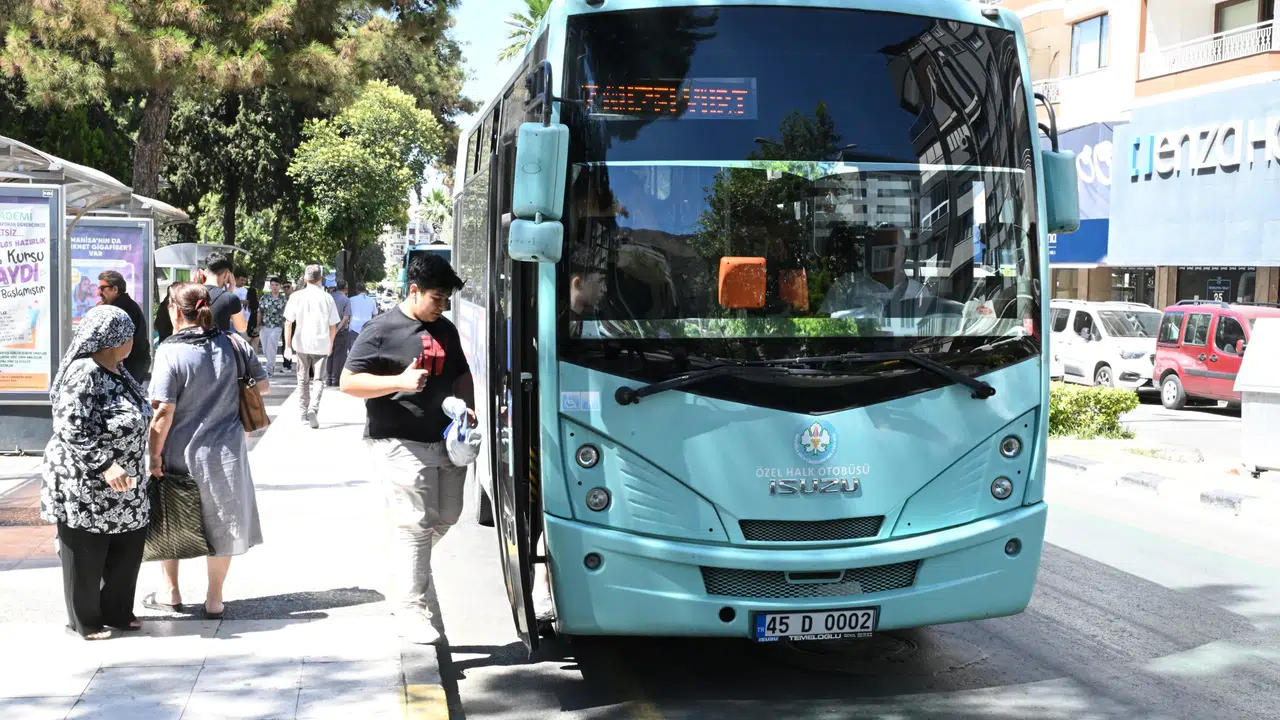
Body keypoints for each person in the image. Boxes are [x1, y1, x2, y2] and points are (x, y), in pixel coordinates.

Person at [340, 253, 473, 645]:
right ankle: (411, 607)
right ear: (413, 290)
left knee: (447, 516)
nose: (442, 305)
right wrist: (398, 380)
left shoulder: (445, 329)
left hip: (447, 440)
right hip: (398, 440)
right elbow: (349, 382)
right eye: (436, 298)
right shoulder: (381, 329)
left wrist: (470, 412)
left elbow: (461, 373)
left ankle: (405, 566)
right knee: (416, 522)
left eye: (446, 299)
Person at [146, 282, 267, 619]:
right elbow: (264, 384)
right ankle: (215, 599)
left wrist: (153, 456)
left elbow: (163, 411)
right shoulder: (234, 343)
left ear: (174, 308)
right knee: (222, 523)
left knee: (170, 518)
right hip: (226, 453)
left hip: (178, 454)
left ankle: (170, 591)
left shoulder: (170, 351)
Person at [40, 305, 152, 640]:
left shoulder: (117, 368)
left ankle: (117, 611)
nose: (134, 340)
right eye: (129, 334)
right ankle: (85, 620)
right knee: (86, 551)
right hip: (86, 480)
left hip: (125, 481)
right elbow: (71, 428)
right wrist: (105, 464)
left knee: (128, 545)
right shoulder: (84, 372)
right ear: (113, 339)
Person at [284, 265, 340, 428]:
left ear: (305, 278)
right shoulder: (327, 298)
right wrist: (330, 343)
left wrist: (288, 347)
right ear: (320, 279)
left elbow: (288, 322)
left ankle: (303, 414)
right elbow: (332, 326)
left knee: (302, 379)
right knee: (319, 380)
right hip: (321, 344)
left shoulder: (296, 296)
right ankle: (314, 407)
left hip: (301, 343)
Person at [97, 270, 151, 382]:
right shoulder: (121, 305)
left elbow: (113, 340)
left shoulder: (122, 309)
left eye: (102, 288)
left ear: (115, 289)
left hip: (129, 364)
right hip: (131, 363)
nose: (99, 293)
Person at [202, 253, 248, 334]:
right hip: (218, 345)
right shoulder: (230, 298)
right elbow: (242, 327)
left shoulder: (190, 292)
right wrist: (230, 290)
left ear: (206, 271)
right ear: (227, 274)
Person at [326, 280, 353, 387]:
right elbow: (346, 318)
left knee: (329, 354)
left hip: (328, 330)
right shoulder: (346, 300)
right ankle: (335, 379)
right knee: (339, 356)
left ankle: (328, 378)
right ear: (345, 288)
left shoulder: (328, 298)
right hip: (341, 331)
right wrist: (337, 329)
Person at [258, 277, 287, 375]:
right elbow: (260, 312)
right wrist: (258, 325)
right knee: (266, 348)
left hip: (277, 326)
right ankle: (272, 364)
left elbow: (287, 314)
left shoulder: (283, 299)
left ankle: (269, 370)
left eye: (276, 285)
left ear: (280, 286)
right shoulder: (264, 297)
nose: (274, 287)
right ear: (270, 286)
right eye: (272, 285)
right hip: (265, 325)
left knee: (272, 346)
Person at [280, 281, 295, 371]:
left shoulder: (296, 298)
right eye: (284, 287)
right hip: (285, 324)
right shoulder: (281, 299)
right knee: (286, 344)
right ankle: (287, 364)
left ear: (292, 288)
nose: (286, 289)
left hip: (296, 323)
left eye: (288, 287)